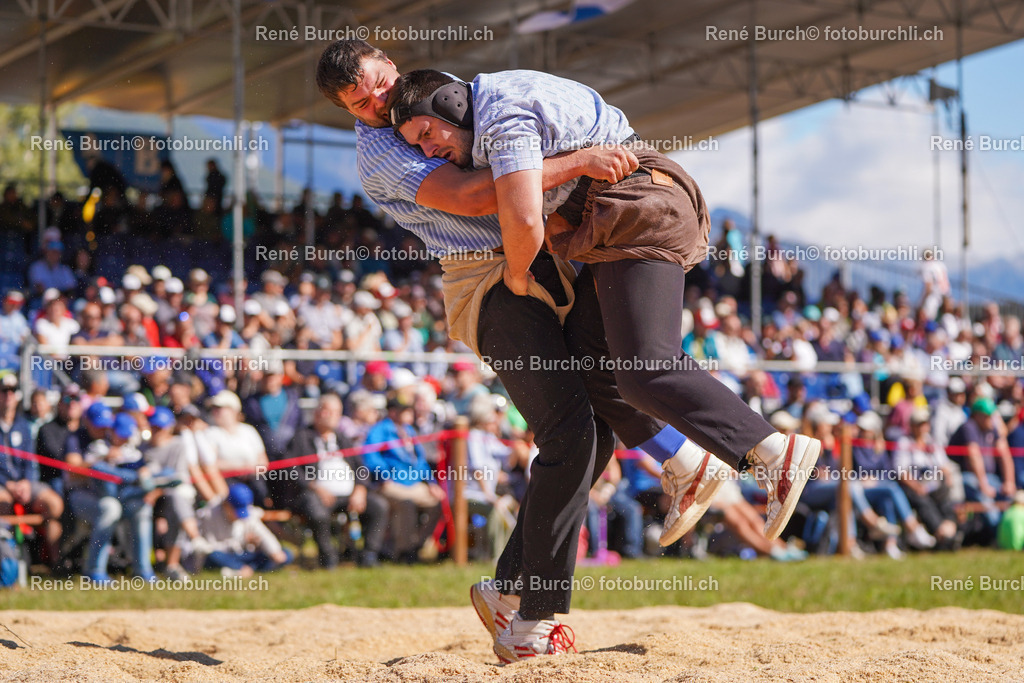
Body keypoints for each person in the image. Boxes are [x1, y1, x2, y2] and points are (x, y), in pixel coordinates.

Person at [316, 40, 744, 661]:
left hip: (543, 258)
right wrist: (579, 162)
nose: (377, 102)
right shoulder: (383, 148)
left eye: (380, 84)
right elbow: (475, 197)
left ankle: (512, 587)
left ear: (389, 61)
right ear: (348, 110)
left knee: (592, 433)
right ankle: (533, 619)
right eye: (361, 101)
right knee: (573, 433)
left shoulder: (436, 99)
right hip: (488, 277)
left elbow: (512, 177)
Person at [389, 66, 821, 653]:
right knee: (601, 389)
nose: (428, 148)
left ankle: (771, 449)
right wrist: (579, 162)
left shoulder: (501, 120)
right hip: (621, 219)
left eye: (425, 132)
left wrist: (520, 275)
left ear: (449, 101)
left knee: (642, 370)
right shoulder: (492, 109)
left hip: (629, 212)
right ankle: (679, 468)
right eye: (415, 144)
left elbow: (519, 216)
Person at [281, 394, 388, 568]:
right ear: (318, 413)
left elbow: (361, 468)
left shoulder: (341, 438)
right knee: (317, 512)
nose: (333, 416)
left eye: (337, 412)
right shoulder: (302, 437)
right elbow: (290, 469)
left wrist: (360, 489)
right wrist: (314, 487)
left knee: (379, 506)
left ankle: (368, 555)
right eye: (329, 411)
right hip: (317, 494)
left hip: (348, 495)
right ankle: (328, 557)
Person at [363, 396, 443, 564]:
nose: (410, 413)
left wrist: (431, 483)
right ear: (393, 412)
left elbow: (420, 461)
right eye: (405, 410)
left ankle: (416, 545)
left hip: (412, 482)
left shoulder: (409, 431)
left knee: (438, 503)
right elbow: (371, 456)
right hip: (389, 483)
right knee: (406, 503)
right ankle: (404, 552)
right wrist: (383, 475)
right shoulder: (380, 430)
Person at [0, 372, 65, 565]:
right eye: (4, 391)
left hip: (25, 483)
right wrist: (8, 485)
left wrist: (26, 482)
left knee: (55, 506)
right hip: (4, 486)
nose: (9, 396)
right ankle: (9, 564)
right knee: (2, 505)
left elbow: (29, 460)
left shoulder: (23, 425)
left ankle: (53, 564)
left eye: (12, 391)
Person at [193, 483, 292, 576]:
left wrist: (275, 552)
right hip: (223, 555)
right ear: (226, 505)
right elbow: (209, 547)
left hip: (243, 554)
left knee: (286, 553)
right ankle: (242, 568)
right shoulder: (210, 514)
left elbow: (262, 533)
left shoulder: (248, 512)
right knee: (214, 556)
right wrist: (242, 541)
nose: (238, 516)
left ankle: (243, 569)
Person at [948, 397, 1017, 530]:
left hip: (989, 478)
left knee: (1011, 497)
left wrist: (1010, 482)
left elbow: (1004, 453)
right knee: (986, 501)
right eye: (987, 416)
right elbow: (974, 456)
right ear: (977, 416)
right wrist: (983, 484)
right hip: (966, 476)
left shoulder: (991, 427)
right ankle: (998, 531)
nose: (991, 418)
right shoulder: (969, 426)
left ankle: (1008, 531)